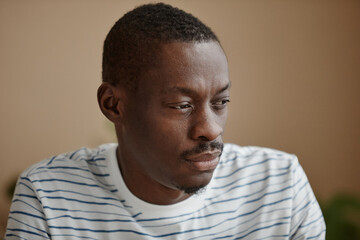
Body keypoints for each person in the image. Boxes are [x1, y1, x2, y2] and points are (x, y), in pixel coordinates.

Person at [5, 3, 325, 239]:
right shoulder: (48, 196)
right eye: (181, 105)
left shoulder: (281, 184)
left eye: (221, 102)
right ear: (113, 105)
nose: (211, 129)